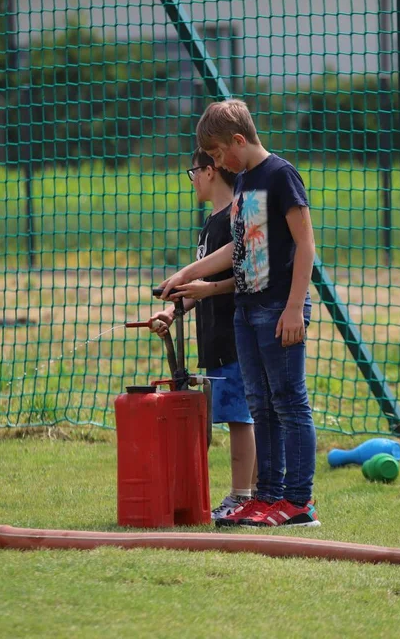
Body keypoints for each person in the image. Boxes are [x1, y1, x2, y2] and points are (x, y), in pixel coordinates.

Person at [159, 99, 320, 529]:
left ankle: (299, 502)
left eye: (215, 155)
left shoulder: (281, 175)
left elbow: (305, 245)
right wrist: (186, 274)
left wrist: (292, 309)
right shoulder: (247, 181)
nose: (216, 164)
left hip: (278, 309)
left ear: (237, 140)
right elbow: (241, 248)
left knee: (289, 403)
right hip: (247, 311)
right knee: (261, 406)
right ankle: (266, 497)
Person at [149, 148, 257, 521]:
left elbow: (245, 278)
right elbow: (204, 282)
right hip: (213, 340)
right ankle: (253, 492)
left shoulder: (236, 219)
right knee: (236, 417)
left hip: (235, 338)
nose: (192, 177)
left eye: (194, 170)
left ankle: (243, 495)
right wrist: (172, 308)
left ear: (210, 171)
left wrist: (205, 290)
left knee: (241, 420)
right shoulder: (210, 223)